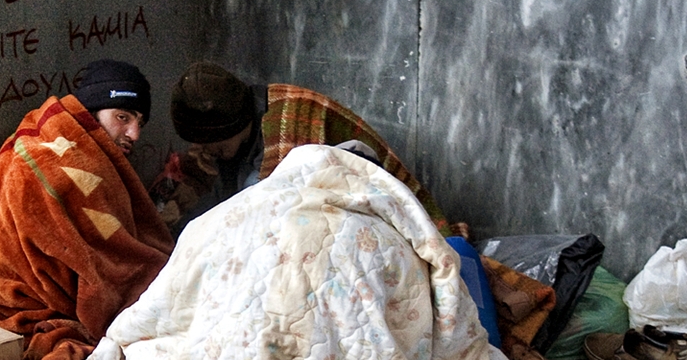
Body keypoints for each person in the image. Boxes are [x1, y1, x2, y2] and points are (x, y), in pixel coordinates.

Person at [0, 58, 175, 360]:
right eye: (123, 117)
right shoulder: (59, 159)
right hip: (25, 303)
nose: (134, 134)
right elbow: (102, 267)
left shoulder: (65, 143)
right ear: (93, 110)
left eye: (139, 122)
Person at [154, 61, 463, 238]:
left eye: (214, 143)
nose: (208, 151)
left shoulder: (288, 122)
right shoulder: (232, 147)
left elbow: (277, 215)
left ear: (235, 125)